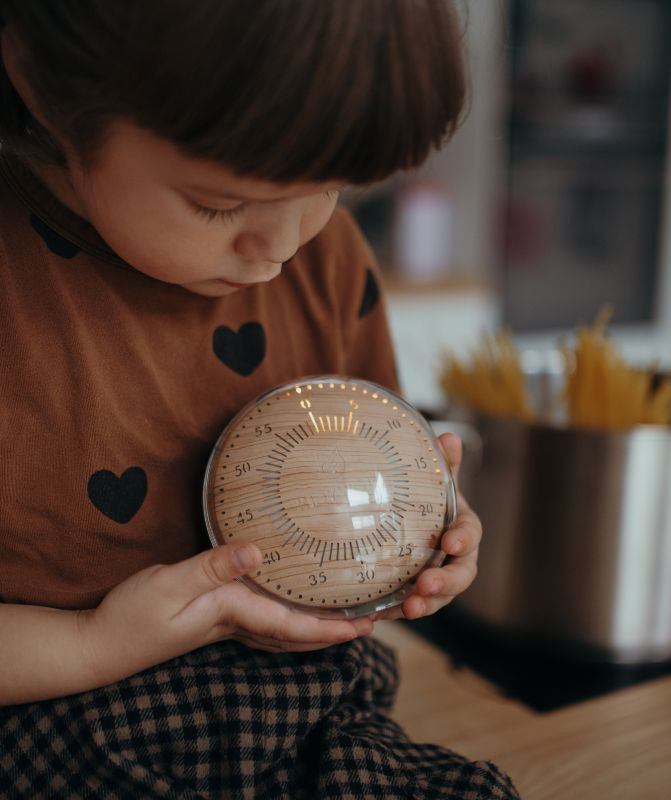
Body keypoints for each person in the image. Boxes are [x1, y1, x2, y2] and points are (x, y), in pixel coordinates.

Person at [0, 1, 520, 798]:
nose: (279, 249)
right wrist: (89, 642)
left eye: (330, 189)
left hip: (308, 713)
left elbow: (379, 472)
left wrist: (426, 538)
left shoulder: (328, 260)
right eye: (218, 204)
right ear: (39, 85)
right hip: (59, 730)